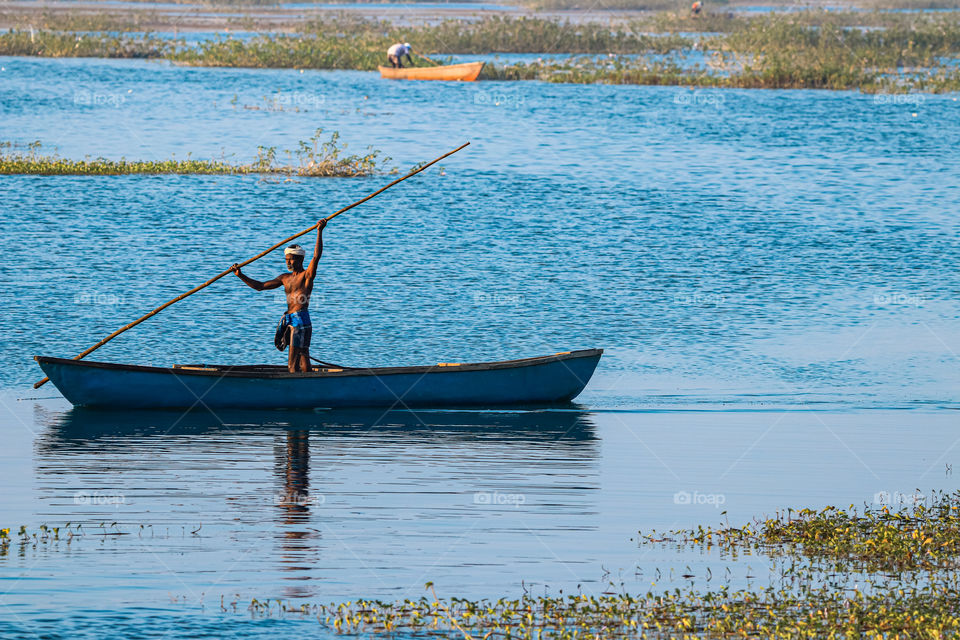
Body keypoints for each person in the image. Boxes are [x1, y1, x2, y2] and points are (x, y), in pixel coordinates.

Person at [232, 219, 326, 373]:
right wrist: (240, 275)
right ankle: (309, 387)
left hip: (300, 320)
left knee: (292, 365)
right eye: (286, 259)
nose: (288, 262)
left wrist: (319, 231)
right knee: (303, 359)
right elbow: (260, 287)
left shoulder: (306, 276)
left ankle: (294, 390)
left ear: (301, 259)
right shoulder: (284, 278)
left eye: (291, 259)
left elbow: (316, 257)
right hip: (290, 319)